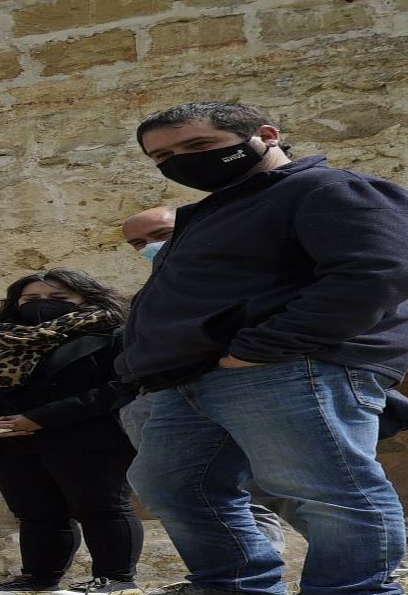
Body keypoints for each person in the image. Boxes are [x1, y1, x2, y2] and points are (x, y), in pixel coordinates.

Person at [113, 101, 408, 595]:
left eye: (196, 146)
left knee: (322, 482)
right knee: (170, 480)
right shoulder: (209, 214)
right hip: (195, 375)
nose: (180, 162)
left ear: (265, 135)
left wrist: (265, 346)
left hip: (288, 363)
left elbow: (378, 271)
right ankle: (233, 580)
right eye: (163, 156)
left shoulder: (328, 189)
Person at [0, 269, 143, 595]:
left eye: (59, 298)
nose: (42, 305)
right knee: (36, 513)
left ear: (87, 298)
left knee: (101, 507)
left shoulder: (113, 337)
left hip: (87, 437)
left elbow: (119, 387)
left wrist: (38, 418)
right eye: (31, 299)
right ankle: (39, 578)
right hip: (10, 442)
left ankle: (116, 579)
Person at [119, 205, 292, 557]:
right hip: (171, 394)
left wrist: (237, 361)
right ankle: (240, 574)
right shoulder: (160, 285)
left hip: (243, 384)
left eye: (161, 235)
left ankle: (349, 585)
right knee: (180, 484)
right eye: (138, 243)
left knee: (282, 486)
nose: (149, 247)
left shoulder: (234, 268)